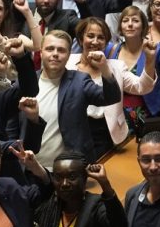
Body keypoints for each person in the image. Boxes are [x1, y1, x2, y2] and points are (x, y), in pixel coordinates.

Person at [66, 16, 156, 159]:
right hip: (73, 131)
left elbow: (142, 87)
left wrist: (150, 59)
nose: (95, 42)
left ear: (106, 43)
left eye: (101, 38)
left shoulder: (116, 66)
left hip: (107, 132)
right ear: (81, 39)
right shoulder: (67, 62)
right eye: (90, 36)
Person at [31, 30, 122, 169]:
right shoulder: (27, 82)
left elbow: (111, 97)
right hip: (32, 167)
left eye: (61, 50)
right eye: (50, 49)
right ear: (41, 52)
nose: (55, 53)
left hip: (69, 171)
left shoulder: (79, 80)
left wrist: (104, 67)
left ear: (68, 56)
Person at [106, 6, 160, 123]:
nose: (130, 24)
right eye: (125, 21)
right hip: (115, 115)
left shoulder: (154, 49)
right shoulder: (111, 50)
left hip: (148, 116)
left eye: (135, 21)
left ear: (143, 27)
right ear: (120, 26)